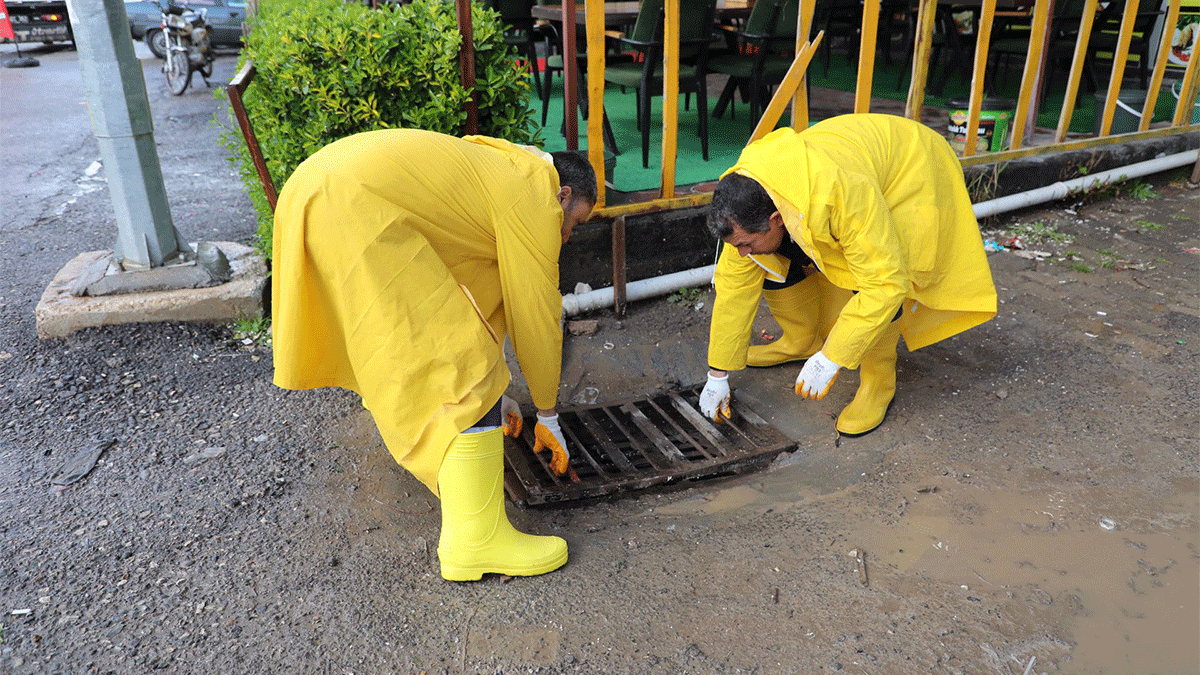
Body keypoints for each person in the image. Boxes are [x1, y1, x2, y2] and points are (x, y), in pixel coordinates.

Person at [271, 129, 596, 581]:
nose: (567, 235)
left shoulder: (505, 170)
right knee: (459, 364)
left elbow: (468, 290)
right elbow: (536, 311)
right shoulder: (536, 199)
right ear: (563, 195)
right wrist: (547, 413)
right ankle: (476, 542)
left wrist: (500, 394)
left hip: (317, 189)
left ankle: (461, 489)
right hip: (351, 202)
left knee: (440, 344)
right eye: (574, 223)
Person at [699, 114, 997, 436]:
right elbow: (734, 288)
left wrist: (832, 358)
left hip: (911, 166)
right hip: (849, 158)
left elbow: (884, 284)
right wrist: (717, 375)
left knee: (880, 268)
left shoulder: (841, 194)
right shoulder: (747, 200)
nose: (741, 252)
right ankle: (801, 341)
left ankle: (878, 383)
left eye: (745, 244)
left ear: (776, 219)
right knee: (764, 258)